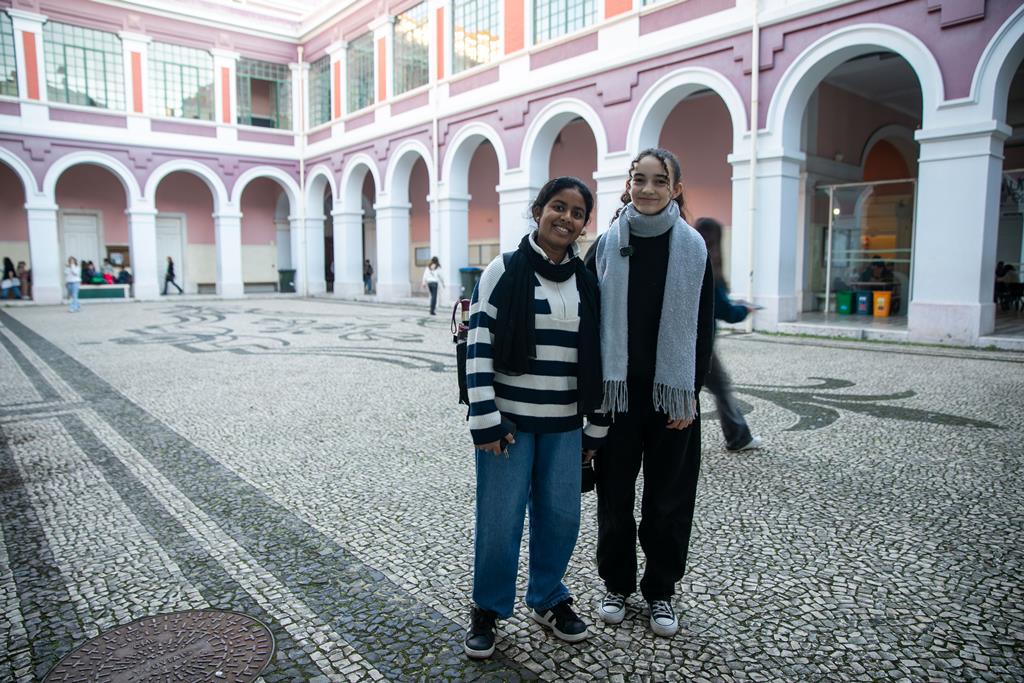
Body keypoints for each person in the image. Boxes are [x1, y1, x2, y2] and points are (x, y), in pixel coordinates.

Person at [463, 176, 608, 659]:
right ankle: (487, 607)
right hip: (509, 425)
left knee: (561, 518)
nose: (566, 218)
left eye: (577, 213)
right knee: (499, 520)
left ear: (584, 225)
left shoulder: (587, 281)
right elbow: (478, 344)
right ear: (538, 210)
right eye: (558, 207)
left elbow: (601, 357)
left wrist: (596, 426)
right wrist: (485, 418)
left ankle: (547, 596)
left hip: (564, 426)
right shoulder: (503, 270)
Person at [584, 148, 714, 638]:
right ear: (628, 184)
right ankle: (616, 584)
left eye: (660, 181)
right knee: (615, 498)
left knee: (668, 501)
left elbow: (704, 327)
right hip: (618, 397)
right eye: (639, 179)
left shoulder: (693, 247)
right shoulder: (607, 243)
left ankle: (661, 590)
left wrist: (690, 393)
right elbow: (589, 322)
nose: (648, 189)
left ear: (676, 188)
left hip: (671, 397)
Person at [694, 217, 762, 452]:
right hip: (701, 342)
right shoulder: (709, 265)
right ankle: (738, 437)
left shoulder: (689, 257)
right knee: (721, 387)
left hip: (688, 339)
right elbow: (725, 310)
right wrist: (745, 310)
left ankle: (738, 435)